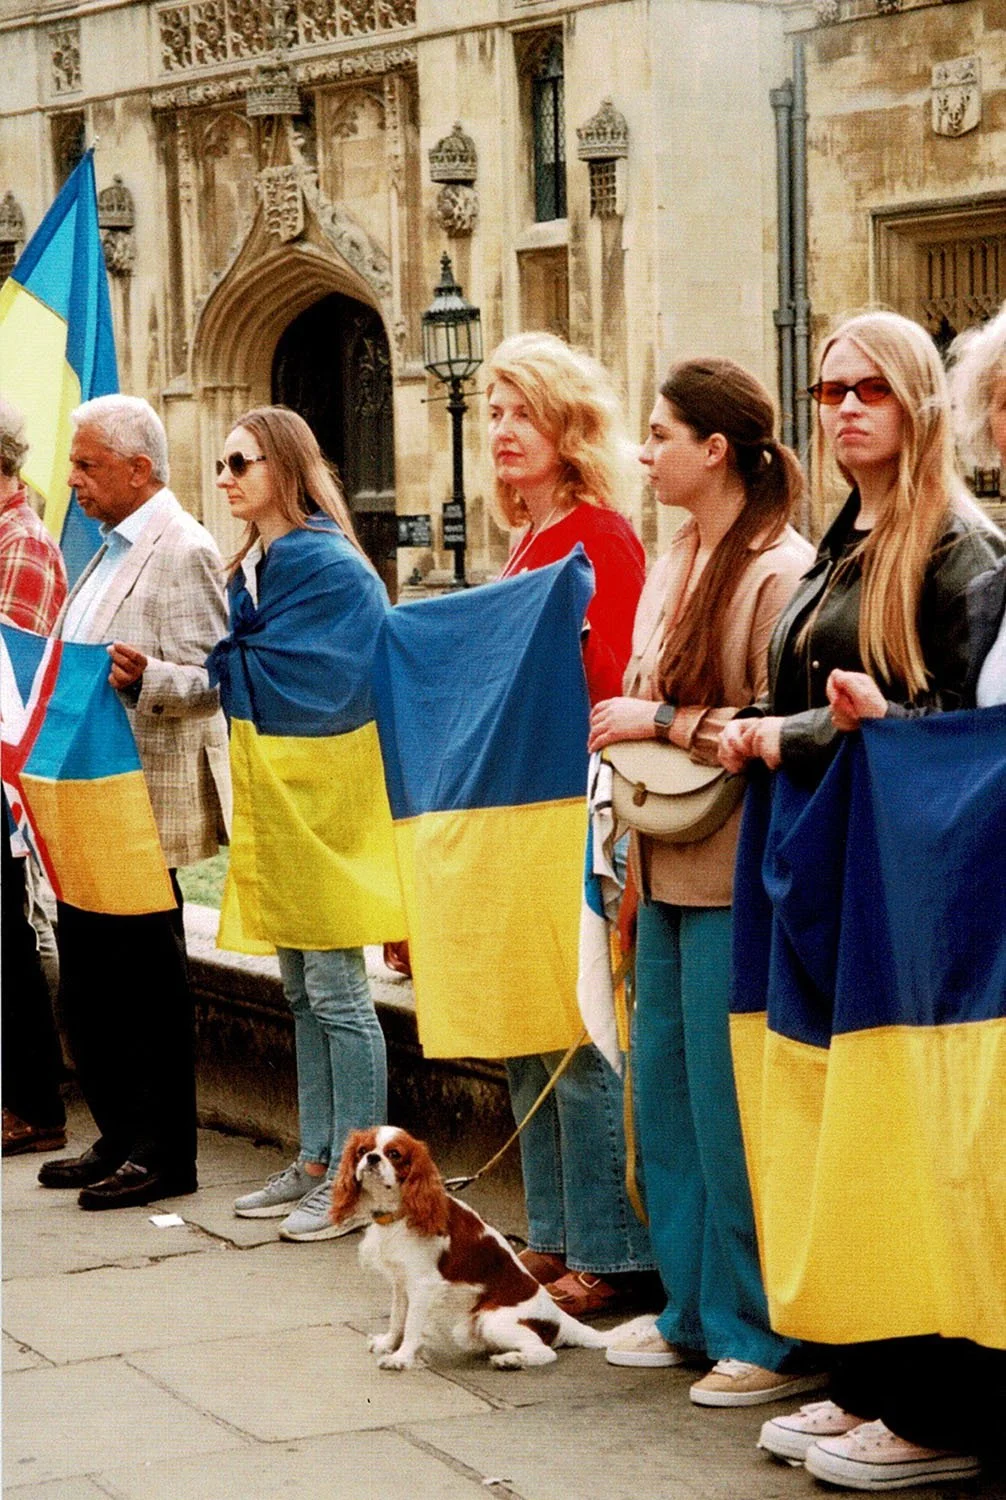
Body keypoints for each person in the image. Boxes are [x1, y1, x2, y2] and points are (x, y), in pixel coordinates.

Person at [718, 310, 1004, 1488]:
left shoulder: (960, 553)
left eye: (867, 389)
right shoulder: (845, 543)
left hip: (913, 895)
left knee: (909, 1134)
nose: (842, 407)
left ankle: (934, 1405)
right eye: (828, 389)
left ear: (920, 403)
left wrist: (803, 734)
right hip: (827, 870)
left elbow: (966, 741)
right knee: (836, 1125)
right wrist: (767, 729)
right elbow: (818, 699)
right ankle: (869, 1374)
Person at [586, 358, 817, 1403]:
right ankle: (690, 1309)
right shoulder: (678, 554)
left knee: (730, 1119)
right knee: (667, 1106)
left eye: (659, 434)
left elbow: (779, 729)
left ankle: (759, 1332)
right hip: (666, 862)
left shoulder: (779, 568)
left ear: (714, 450)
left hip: (737, 877)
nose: (643, 454)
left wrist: (663, 721)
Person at [485, 331, 654, 1318]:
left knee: (583, 1030)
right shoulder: (530, 538)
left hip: (580, 807)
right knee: (529, 1023)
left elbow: (615, 685)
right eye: (495, 413)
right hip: (523, 811)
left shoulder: (600, 536)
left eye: (525, 413)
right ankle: (551, 1233)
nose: (504, 431)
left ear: (571, 426)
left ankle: (610, 1248)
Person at [37, 395, 230, 1210]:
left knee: (145, 989)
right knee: (89, 985)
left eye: (87, 464)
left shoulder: (184, 547)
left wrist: (148, 678)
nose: (73, 479)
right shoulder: (105, 548)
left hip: (141, 804)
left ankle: (164, 1154)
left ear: (138, 469)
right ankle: (117, 1135)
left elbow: (215, 676)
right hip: (88, 799)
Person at [208, 406, 391, 1243]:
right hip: (279, 791)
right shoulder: (260, 563)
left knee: (341, 995)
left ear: (284, 466)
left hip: (331, 796)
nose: (224, 477)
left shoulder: (330, 565)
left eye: (240, 462)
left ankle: (359, 1183)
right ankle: (316, 1160)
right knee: (300, 992)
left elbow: (353, 676)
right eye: (221, 463)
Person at [0, 399, 68, 1158]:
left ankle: (34, 1103)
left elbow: (11, 670)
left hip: (5, 776)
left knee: (10, 941)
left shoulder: (20, 542)